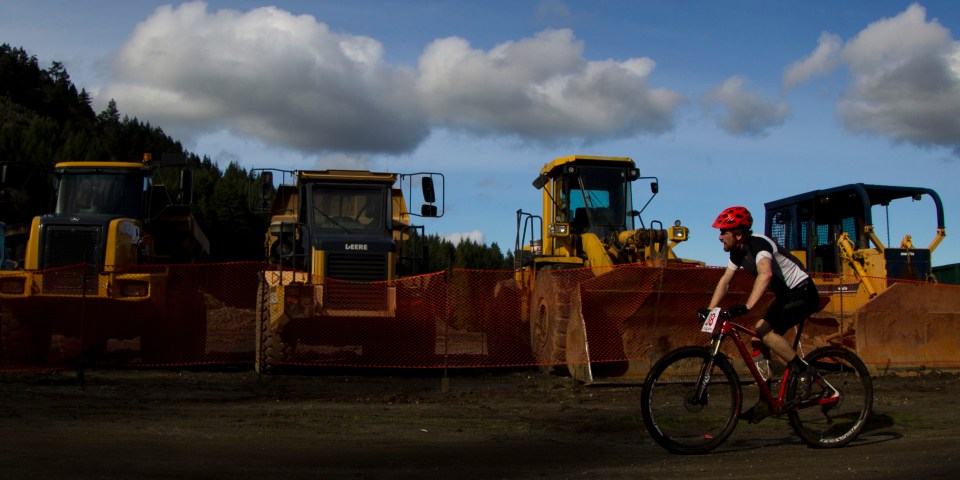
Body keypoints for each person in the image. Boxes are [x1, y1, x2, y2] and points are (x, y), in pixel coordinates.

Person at [702, 206, 822, 423]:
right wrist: (711, 309)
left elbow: (765, 273)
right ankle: (766, 400)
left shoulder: (759, 244)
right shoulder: (737, 251)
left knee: (764, 332)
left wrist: (747, 306)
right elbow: (726, 280)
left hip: (803, 292)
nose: (719, 237)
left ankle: (804, 371)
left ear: (738, 234)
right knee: (757, 339)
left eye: (723, 232)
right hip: (787, 296)